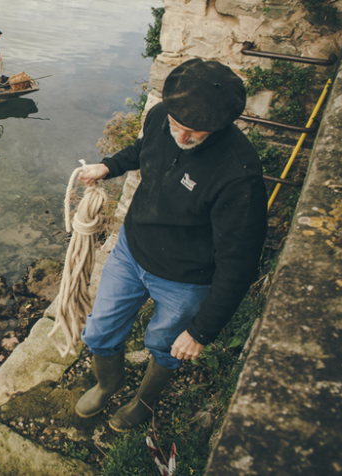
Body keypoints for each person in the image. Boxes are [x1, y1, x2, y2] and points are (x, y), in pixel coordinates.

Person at [73, 58, 268, 431]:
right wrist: (108, 166)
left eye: (194, 132)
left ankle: (143, 401)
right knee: (99, 331)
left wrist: (201, 331)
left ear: (220, 124)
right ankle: (107, 383)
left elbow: (239, 263)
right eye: (177, 126)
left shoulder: (238, 175)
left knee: (165, 344)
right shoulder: (163, 115)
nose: (181, 136)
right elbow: (144, 148)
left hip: (185, 278)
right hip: (133, 251)